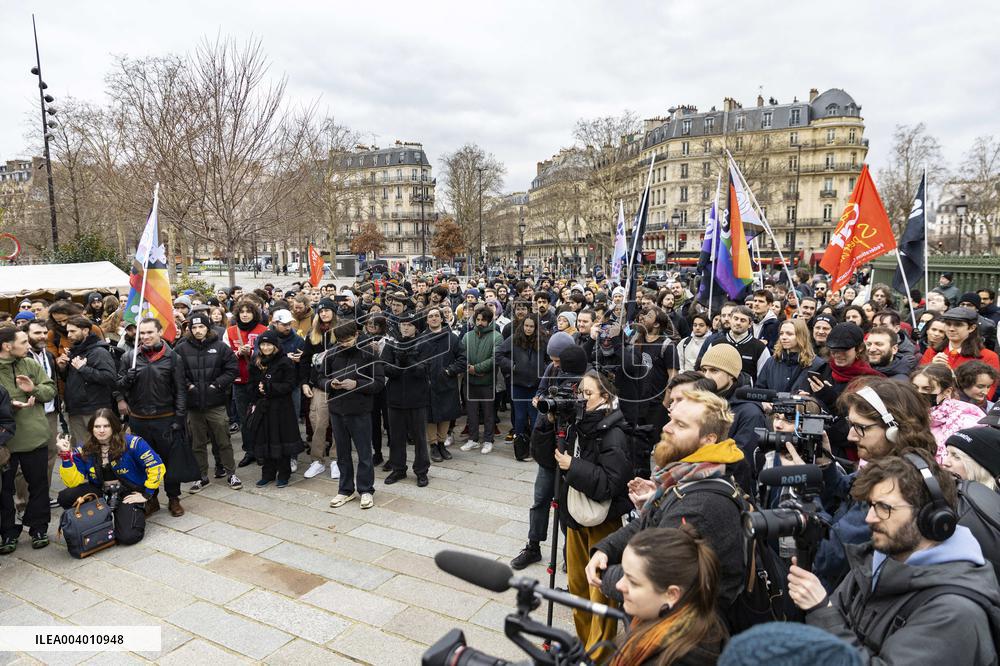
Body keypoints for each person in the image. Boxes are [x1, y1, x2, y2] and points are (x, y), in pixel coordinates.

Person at [789, 450, 1000, 664]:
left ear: (930, 516)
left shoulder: (955, 612)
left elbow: (830, 618)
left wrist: (821, 611)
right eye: (871, 505)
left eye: (884, 508)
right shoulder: (877, 557)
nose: (870, 518)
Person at [586, 390, 747, 620]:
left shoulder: (700, 505)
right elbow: (653, 521)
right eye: (671, 419)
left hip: (683, 634)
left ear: (709, 439)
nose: (667, 428)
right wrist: (606, 548)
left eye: (680, 425)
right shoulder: (689, 473)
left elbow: (652, 578)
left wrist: (602, 574)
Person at [534, 369, 632, 659]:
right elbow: (543, 458)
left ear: (606, 396)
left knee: (599, 592)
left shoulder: (614, 432)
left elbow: (612, 484)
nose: (581, 399)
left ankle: (598, 656)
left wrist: (572, 466)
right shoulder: (577, 422)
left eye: (588, 394)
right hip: (574, 515)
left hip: (602, 521)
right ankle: (584, 646)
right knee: (577, 586)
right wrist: (547, 423)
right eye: (580, 393)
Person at [610, 526, 727, 666]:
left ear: (671, 594)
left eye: (633, 582)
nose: (619, 585)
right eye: (624, 574)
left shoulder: (680, 658)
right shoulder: (664, 620)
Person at [55, 409, 163, 545]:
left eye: (106, 426)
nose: (101, 430)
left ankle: (141, 507)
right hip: (100, 491)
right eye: (97, 426)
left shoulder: (133, 443)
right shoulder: (84, 449)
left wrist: (147, 493)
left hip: (129, 491)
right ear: (91, 428)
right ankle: (97, 518)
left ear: (114, 426)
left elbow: (156, 466)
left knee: (128, 537)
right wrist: (65, 456)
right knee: (65, 497)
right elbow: (72, 482)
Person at [117, 318, 188, 517]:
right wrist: (126, 379)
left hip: (165, 418)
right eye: (143, 333)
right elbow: (118, 386)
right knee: (144, 461)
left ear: (159, 332)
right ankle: (152, 497)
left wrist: (180, 418)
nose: (146, 337)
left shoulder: (173, 358)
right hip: (139, 419)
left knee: (170, 461)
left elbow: (180, 391)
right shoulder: (129, 357)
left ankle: (173, 498)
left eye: (150, 332)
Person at [0, 327, 57, 551]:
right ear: (7, 346)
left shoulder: (30, 363)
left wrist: (34, 388)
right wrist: (8, 406)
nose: (27, 345)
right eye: (23, 342)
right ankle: (7, 532)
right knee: (4, 490)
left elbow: (50, 389)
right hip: (6, 442)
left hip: (34, 436)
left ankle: (38, 527)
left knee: (39, 485)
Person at [174, 313, 242, 492]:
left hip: (216, 404)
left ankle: (231, 473)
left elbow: (232, 369)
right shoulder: (181, 348)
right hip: (194, 406)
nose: (198, 331)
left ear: (208, 328)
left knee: (223, 441)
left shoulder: (220, 347)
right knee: (197, 443)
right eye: (194, 328)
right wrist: (188, 386)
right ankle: (200, 476)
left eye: (201, 327)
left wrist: (217, 385)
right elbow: (176, 372)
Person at [324, 321, 383, 509]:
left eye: (347, 339)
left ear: (356, 334)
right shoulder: (332, 352)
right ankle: (345, 490)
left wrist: (356, 384)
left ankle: (366, 490)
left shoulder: (369, 352)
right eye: (340, 340)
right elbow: (318, 377)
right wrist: (329, 383)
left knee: (365, 453)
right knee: (342, 453)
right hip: (337, 409)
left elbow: (379, 382)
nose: (344, 343)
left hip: (360, 410)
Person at [382, 312, 432, 486]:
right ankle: (398, 469)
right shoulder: (391, 344)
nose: (405, 327)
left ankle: (421, 470)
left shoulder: (424, 343)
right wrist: (398, 364)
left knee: (419, 437)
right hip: (395, 397)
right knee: (396, 436)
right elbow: (385, 367)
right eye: (403, 324)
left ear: (416, 327)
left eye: (409, 324)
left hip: (417, 397)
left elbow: (423, 370)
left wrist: (409, 358)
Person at [248, 330, 303, 488]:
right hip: (263, 407)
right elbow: (250, 384)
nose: (265, 347)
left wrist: (269, 387)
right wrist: (258, 390)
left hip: (281, 408)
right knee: (264, 439)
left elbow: (290, 384)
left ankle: (284, 473)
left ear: (275, 346)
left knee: (281, 439)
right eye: (263, 344)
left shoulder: (285, 362)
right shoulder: (256, 362)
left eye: (269, 344)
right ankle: (268, 473)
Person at [697, 344, 765, 470]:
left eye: (714, 370)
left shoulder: (750, 412)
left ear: (732, 375)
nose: (707, 376)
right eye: (704, 370)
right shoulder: (703, 402)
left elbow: (742, 461)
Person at [58, 316, 119, 446]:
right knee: (81, 450)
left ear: (85, 330)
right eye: (68, 331)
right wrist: (63, 369)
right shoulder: (75, 351)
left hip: (94, 409)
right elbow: (73, 380)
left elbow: (109, 377)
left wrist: (83, 369)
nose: (69, 335)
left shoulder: (99, 351)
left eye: (73, 331)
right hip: (75, 409)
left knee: (100, 447)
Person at [910, 364, 985, 460]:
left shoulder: (966, 420)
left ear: (947, 391)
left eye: (927, 389)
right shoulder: (904, 413)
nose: (918, 393)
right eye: (914, 387)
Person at [225, 300, 268, 467]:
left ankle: (262, 450)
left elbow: (270, 353)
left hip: (259, 381)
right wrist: (237, 354)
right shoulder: (229, 331)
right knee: (244, 418)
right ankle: (249, 450)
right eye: (241, 311)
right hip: (239, 381)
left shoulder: (264, 330)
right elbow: (224, 356)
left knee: (261, 417)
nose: (244, 314)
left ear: (254, 313)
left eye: (248, 311)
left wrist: (251, 352)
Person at [421, 307, 465, 463]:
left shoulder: (452, 338)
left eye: (436, 316)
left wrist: (449, 371)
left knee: (446, 414)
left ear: (442, 318)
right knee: (431, 416)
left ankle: (442, 444)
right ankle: (433, 445)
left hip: (447, 382)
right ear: (427, 320)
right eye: (430, 316)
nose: (433, 318)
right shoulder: (421, 339)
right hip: (428, 384)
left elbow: (462, 359)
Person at [460, 306, 502, 455]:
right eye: (478, 319)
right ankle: (473, 439)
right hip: (469, 382)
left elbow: (494, 359)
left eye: (483, 320)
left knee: (488, 413)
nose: (480, 322)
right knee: (471, 412)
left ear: (489, 321)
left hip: (487, 382)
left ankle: (488, 440)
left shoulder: (497, 336)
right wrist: (468, 368)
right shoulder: (467, 336)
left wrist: (476, 369)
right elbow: (461, 355)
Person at [921, 308, 1000, 382]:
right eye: (948, 324)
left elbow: (986, 394)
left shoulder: (988, 357)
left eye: (958, 325)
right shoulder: (931, 352)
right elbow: (918, 385)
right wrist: (930, 368)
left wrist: (952, 377)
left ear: (972, 328)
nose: (951, 329)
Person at [701, 305, 770, 380]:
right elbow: (706, 371)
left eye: (742, 320)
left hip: (747, 391)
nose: (738, 323)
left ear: (750, 324)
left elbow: (764, 378)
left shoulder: (760, 348)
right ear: (730, 320)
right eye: (735, 319)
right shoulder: (715, 344)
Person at [756, 319, 824, 394]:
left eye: (789, 334)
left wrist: (808, 399)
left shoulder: (817, 364)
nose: (783, 337)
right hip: (772, 405)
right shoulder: (771, 361)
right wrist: (764, 402)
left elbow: (820, 398)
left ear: (801, 336)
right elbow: (759, 389)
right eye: (781, 333)